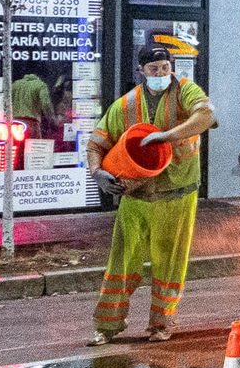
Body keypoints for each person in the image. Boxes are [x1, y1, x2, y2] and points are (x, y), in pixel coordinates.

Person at [86, 46, 216, 344]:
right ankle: (107, 325)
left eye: (165, 67)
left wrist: (167, 136)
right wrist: (97, 173)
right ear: (141, 71)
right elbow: (97, 143)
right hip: (136, 195)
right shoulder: (125, 105)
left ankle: (162, 324)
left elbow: (206, 116)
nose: (160, 74)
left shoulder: (185, 91)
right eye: (154, 69)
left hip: (177, 194)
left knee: (170, 262)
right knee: (121, 261)